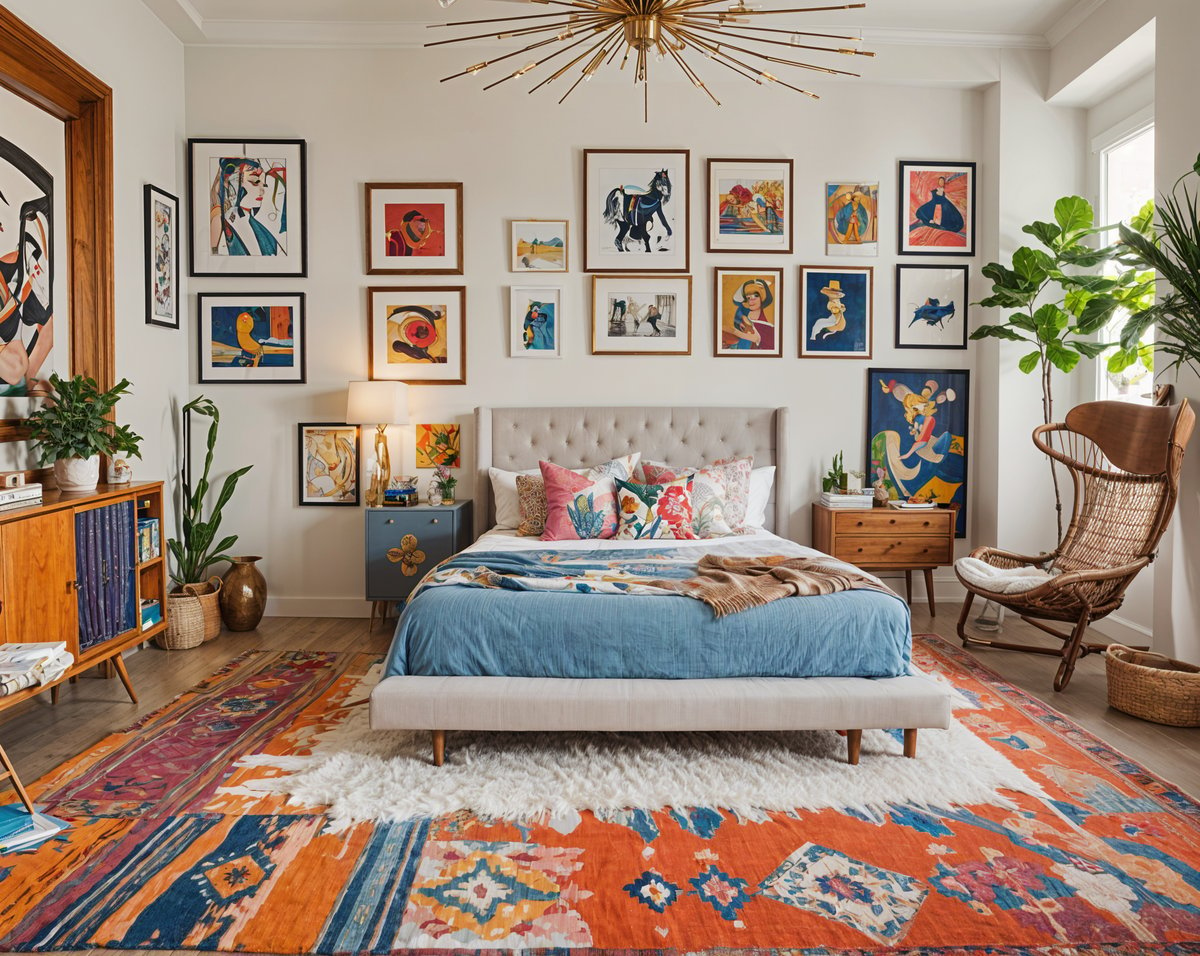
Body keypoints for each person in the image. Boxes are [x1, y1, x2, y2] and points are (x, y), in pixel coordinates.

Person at [210, 156, 287, 257]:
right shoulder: (220, 221)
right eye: (254, 181)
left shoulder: (266, 234)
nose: (262, 190)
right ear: (229, 182)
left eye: (264, 184)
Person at [723, 278, 772, 349]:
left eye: (756, 296)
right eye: (748, 298)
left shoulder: (767, 319)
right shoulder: (744, 311)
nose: (752, 299)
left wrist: (761, 283)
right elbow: (736, 300)